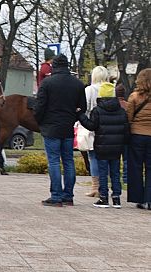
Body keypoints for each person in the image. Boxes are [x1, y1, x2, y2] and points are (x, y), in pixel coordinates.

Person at [34, 54, 86, 207]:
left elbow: (39, 106)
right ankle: (68, 196)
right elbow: (81, 107)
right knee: (69, 161)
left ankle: (56, 196)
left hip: (51, 128)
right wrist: (72, 118)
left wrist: (40, 121)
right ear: (67, 66)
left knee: (54, 161)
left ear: (54, 66)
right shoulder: (77, 84)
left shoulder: (47, 83)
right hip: (67, 127)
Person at [78, 82, 129, 208]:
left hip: (101, 146)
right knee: (115, 172)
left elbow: (91, 126)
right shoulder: (122, 111)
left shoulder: (98, 110)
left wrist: (80, 116)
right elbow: (126, 130)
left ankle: (104, 198)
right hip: (117, 148)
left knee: (103, 172)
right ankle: (116, 198)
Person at [77, 66, 109, 197]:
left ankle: (95, 186)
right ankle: (104, 185)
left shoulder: (89, 90)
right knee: (105, 158)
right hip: (107, 127)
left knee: (93, 156)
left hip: (91, 126)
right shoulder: (109, 89)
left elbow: (85, 107)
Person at [126, 68, 151, 210]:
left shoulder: (134, 97)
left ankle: (139, 198)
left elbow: (129, 117)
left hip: (137, 136)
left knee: (135, 167)